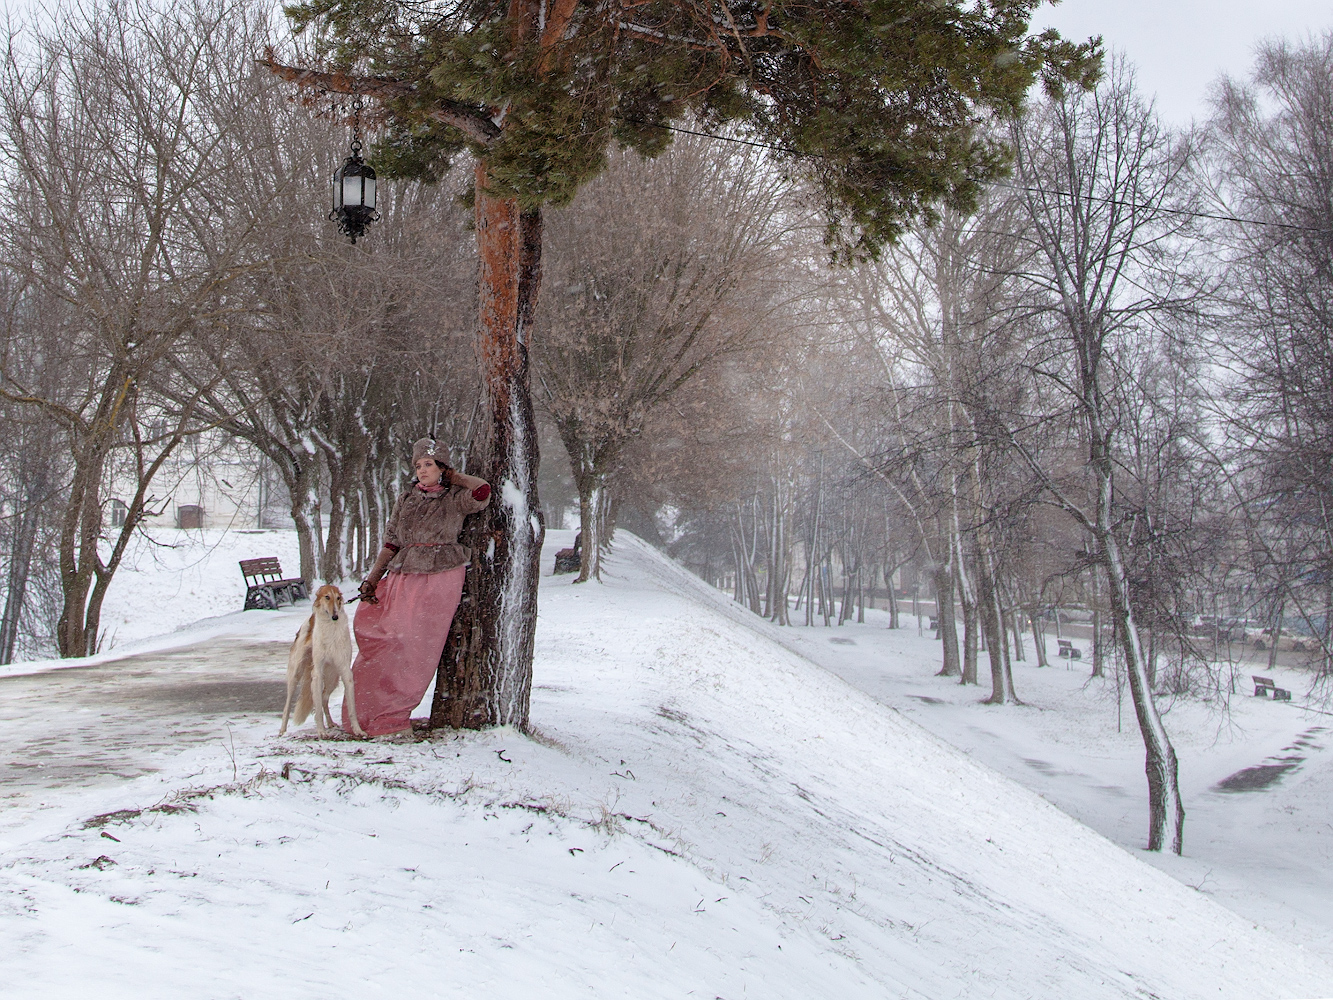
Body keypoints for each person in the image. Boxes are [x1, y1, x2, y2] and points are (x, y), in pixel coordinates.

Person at [343, 437, 491, 740]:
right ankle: (366, 715)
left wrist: (454, 478)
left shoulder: (454, 498)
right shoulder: (406, 499)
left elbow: (482, 491)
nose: (423, 470)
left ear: (442, 468)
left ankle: (393, 718)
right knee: (385, 643)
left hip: (439, 578)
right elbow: (391, 541)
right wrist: (373, 578)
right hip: (402, 575)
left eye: (430, 464)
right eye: (419, 465)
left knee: (414, 649)